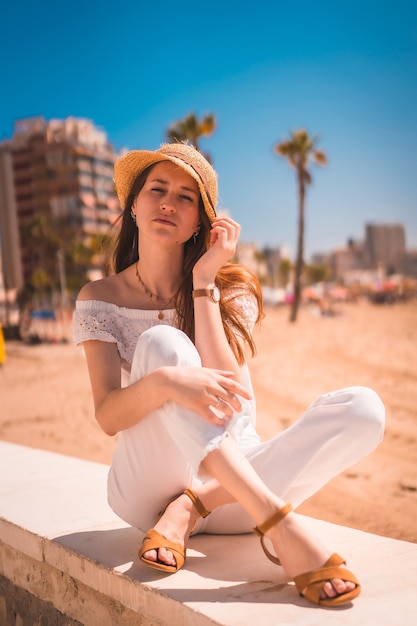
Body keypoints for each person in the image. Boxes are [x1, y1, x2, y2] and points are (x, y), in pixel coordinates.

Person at [73, 142, 385, 607]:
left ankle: (194, 504)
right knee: (163, 345)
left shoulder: (225, 287)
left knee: (365, 410)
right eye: (156, 189)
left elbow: (230, 402)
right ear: (133, 205)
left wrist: (203, 285)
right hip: (148, 493)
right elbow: (108, 417)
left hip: (232, 494)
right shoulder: (99, 297)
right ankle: (278, 525)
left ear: (201, 220)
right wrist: (166, 382)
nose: (167, 203)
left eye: (185, 197)